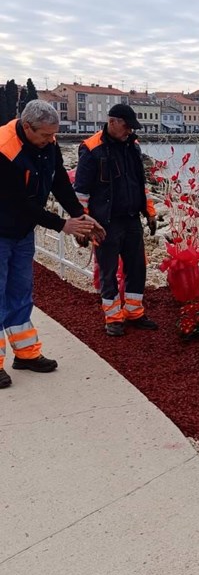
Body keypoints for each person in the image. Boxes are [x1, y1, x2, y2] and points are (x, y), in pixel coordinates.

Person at [0, 100, 105, 388]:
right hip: (3, 226)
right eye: (45, 135)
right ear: (26, 126)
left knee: (21, 291)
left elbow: (59, 181)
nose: (50, 141)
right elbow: (17, 202)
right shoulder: (4, 149)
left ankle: (26, 354)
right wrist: (62, 225)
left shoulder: (47, 143)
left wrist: (79, 215)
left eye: (53, 135)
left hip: (20, 232)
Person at [73, 104, 158, 337]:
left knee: (137, 267)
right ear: (113, 122)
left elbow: (141, 184)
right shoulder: (91, 149)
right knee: (108, 271)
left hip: (131, 219)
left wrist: (149, 212)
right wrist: (82, 226)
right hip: (105, 222)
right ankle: (113, 317)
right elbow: (81, 192)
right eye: (127, 126)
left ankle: (134, 312)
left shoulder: (133, 146)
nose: (130, 131)